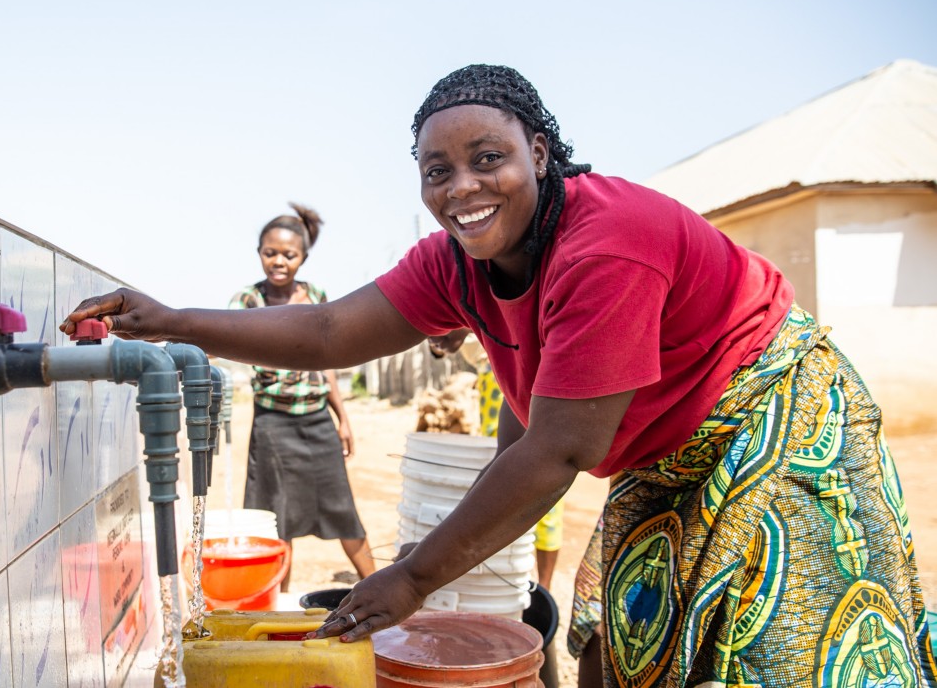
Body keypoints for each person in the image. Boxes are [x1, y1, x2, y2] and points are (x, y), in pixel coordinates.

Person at [62, 64, 936, 686]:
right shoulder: (457, 262)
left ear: (542, 154)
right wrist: (173, 320)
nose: (462, 187)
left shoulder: (609, 244)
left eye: (489, 158)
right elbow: (330, 329)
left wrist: (411, 578)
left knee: (785, 644)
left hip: (772, 414)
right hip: (666, 453)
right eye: (437, 172)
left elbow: (558, 450)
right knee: (622, 640)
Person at [229, 203, 375, 591]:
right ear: (259, 253)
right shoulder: (247, 301)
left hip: (316, 422)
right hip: (272, 425)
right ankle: (279, 606)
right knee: (279, 519)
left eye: (288, 255)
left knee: (344, 511)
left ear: (303, 258)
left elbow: (327, 363)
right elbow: (223, 339)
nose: (279, 261)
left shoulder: (316, 296)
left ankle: (384, 594)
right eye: (270, 253)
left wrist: (342, 418)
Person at [429, 327, 563, 592]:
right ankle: (501, 573)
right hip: (497, 369)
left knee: (544, 470)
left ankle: (543, 589)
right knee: (503, 464)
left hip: (534, 364)